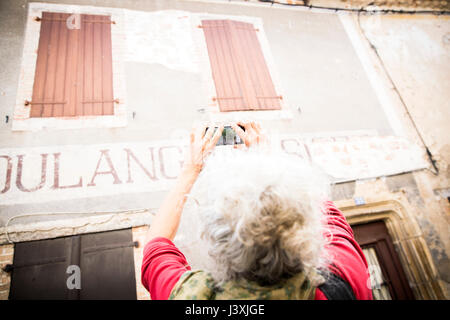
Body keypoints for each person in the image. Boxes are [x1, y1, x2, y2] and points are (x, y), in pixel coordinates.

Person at [141, 122, 373, 300]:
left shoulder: (189, 296)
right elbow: (320, 209)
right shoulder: (346, 275)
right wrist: (268, 157)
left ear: (215, 241)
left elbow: (155, 246)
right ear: (306, 230)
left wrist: (190, 170)